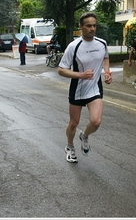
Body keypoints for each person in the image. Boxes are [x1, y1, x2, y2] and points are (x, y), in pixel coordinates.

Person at [58, 12, 112, 163]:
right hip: (77, 89)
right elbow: (61, 70)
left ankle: (85, 135)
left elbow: (106, 58)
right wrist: (80, 75)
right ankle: (69, 146)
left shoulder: (102, 43)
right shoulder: (73, 47)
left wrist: (107, 72)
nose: (92, 29)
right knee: (73, 123)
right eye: (88, 26)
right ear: (80, 27)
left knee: (96, 122)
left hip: (94, 88)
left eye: (94, 25)